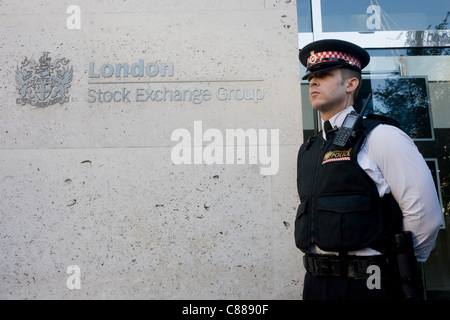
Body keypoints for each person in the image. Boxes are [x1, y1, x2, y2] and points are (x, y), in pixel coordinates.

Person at [295, 39, 443, 300]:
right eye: (311, 77)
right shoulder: (309, 149)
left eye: (324, 75)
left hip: (369, 286)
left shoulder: (382, 136)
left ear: (351, 84)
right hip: (317, 286)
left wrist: (399, 266)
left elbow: (425, 215)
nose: (313, 82)